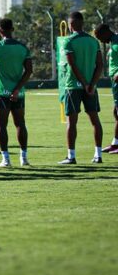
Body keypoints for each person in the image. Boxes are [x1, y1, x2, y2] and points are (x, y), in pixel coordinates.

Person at [0, 19, 33, 167]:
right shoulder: (22, 48)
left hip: (1, 93)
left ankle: (6, 159)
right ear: (13, 29)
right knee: (20, 124)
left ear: (0, 30)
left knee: (1, 126)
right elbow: (29, 70)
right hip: (18, 93)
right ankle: (24, 158)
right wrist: (17, 89)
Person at [59, 12, 104, 164]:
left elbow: (72, 65)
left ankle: (71, 157)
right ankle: (98, 155)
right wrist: (92, 84)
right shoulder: (93, 41)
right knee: (95, 120)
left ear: (70, 25)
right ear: (82, 23)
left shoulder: (68, 41)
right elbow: (100, 65)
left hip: (73, 86)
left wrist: (84, 83)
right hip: (91, 86)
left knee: (71, 122)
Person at [94, 23, 118, 154]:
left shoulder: (116, 41)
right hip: (115, 83)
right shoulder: (113, 41)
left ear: (105, 32)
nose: (99, 40)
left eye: (99, 36)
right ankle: (115, 143)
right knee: (116, 113)